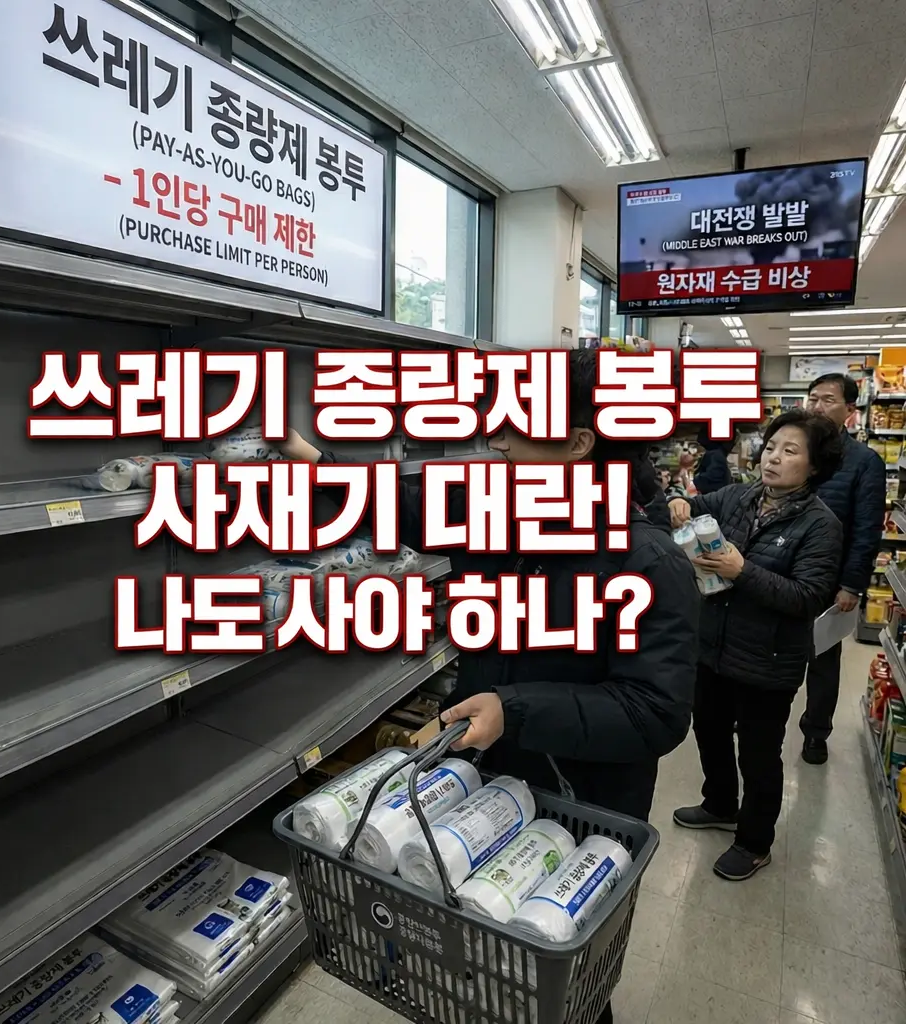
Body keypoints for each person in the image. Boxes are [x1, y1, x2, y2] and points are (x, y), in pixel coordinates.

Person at [282, 349, 700, 1024]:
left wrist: (515, 709)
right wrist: (318, 464)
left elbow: (655, 713)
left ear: (574, 444)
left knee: (555, 983)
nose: (499, 439)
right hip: (483, 796)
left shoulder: (648, 565)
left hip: (576, 813)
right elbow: (409, 506)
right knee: (475, 961)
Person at [669, 409, 843, 881]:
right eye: (771, 447)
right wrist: (681, 504)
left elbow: (807, 597)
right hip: (714, 647)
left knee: (760, 753)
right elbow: (696, 508)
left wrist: (742, 571)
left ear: (814, 466)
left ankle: (754, 841)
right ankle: (720, 803)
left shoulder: (820, 525)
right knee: (707, 728)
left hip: (768, 661)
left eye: (790, 451)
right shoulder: (741, 497)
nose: (773, 459)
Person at [800, 373, 886, 764]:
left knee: (823, 659)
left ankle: (815, 733)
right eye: (812, 399)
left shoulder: (864, 462)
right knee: (765, 647)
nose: (817, 407)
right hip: (781, 570)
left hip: (830, 577)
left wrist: (852, 584)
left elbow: (867, 528)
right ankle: (749, 714)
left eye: (827, 400)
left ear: (851, 411)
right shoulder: (796, 448)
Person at [692, 423, 734, 495]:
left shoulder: (715, 455)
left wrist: (695, 481)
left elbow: (713, 476)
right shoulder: (717, 453)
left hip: (712, 496)